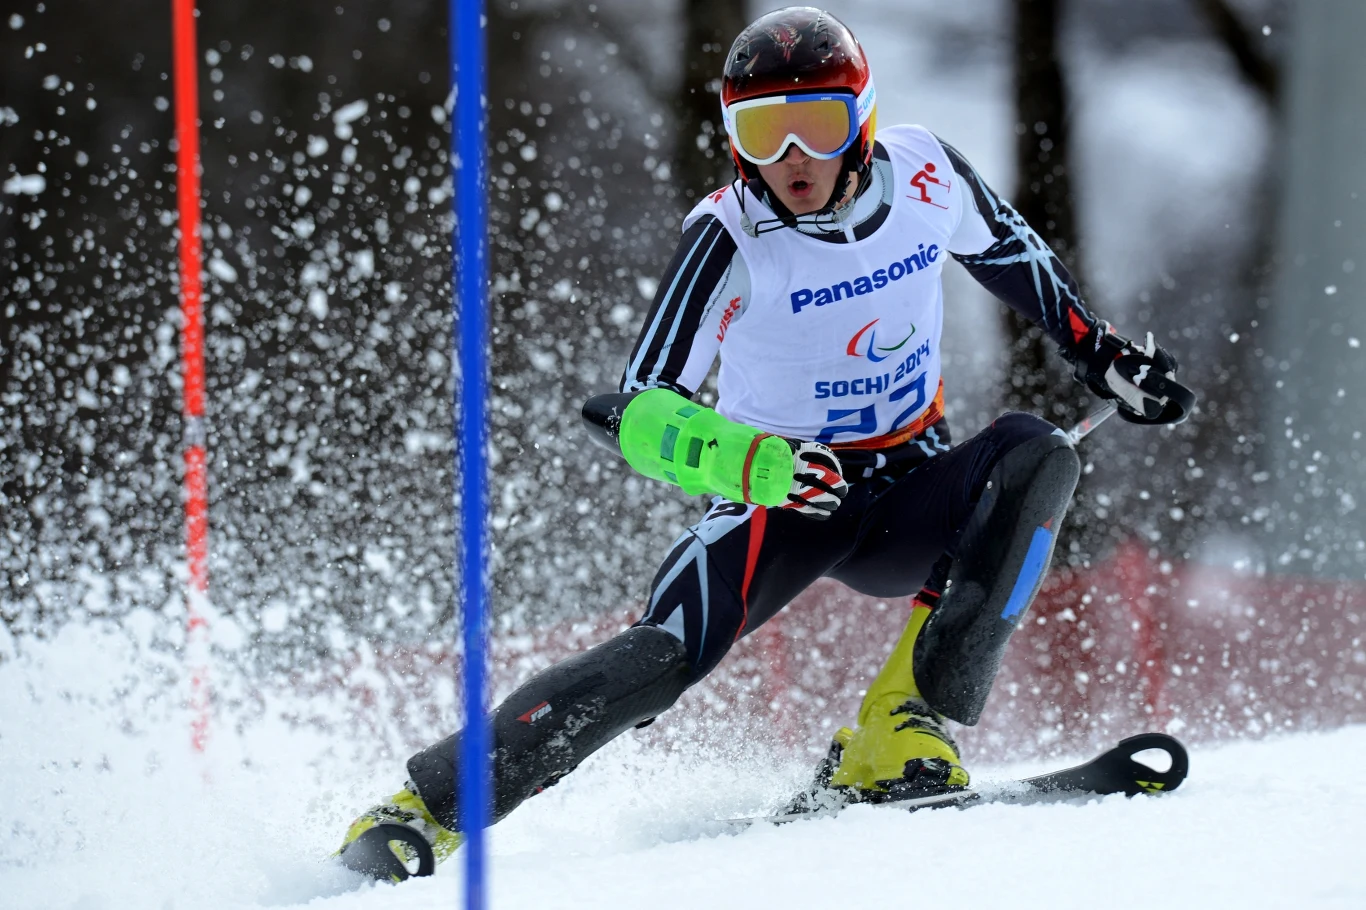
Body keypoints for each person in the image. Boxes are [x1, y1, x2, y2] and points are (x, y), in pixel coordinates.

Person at [338, 6, 1192, 868]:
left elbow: (1010, 250)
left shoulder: (927, 171)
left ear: (860, 121)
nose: (793, 159)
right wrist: (758, 464)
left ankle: (899, 728)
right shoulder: (728, 233)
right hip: (779, 502)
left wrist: (1104, 355)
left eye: (818, 126)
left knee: (1039, 453)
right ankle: (423, 809)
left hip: (910, 490)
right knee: (660, 659)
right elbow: (635, 408)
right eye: (763, 131)